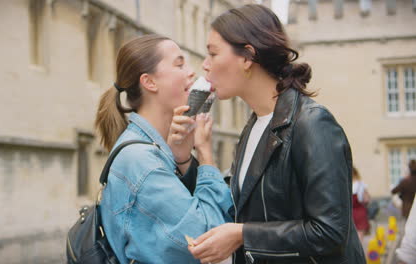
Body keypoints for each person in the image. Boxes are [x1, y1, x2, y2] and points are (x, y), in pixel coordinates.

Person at [188, 4, 365, 264]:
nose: (205, 65)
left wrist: (243, 234)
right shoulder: (252, 127)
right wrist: (196, 151)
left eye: (213, 53)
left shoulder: (313, 123)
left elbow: (330, 232)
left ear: (247, 57)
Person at [94, 34, 233, 264]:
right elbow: (210, 242)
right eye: (179, 64)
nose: (191, 71)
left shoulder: (151, 149)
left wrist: (182, 160)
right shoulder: (141, 161)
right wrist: (206, 154)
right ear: (149, 82)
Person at [351, 167, 370, 244]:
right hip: (360, 212)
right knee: (360, 235)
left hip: (350, 213)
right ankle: (358, 254)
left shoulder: (345, 184)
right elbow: (366, 199)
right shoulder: (361, 184)